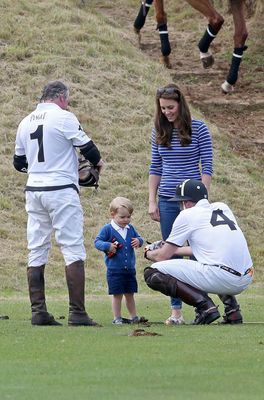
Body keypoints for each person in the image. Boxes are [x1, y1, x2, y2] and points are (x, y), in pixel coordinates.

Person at [13, 80, 104, 327]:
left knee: (37, 247)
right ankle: (77, 313)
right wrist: (96, 165)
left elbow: (18, 163)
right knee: (72, 247)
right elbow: (90, 150)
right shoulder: (65, 117)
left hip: (34, 190)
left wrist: (40, 168)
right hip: (61, 190)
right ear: (62, 98)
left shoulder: (25, 121)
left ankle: (39, 311)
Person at [144, 179, 254, 325]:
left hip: (223, 277)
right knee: (213, 261)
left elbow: (162, 256)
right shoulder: (222, 207)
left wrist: (148, 253)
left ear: (187, 203)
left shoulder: (187, 215)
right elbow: (206, 250)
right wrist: (172, 248)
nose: (180, 206)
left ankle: (205, 307)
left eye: (180, 202)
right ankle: (233, 311)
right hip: (247, 277)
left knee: (151, 273)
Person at [148, 83, 213, 325]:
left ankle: (202, 306)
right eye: (163, 108)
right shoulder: (159, 130)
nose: (167, 112)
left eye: (171, 107)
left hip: (192, 199)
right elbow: (155, 167)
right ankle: (176, 311)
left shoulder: (199, 128)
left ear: (180, 105)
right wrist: (152, 200)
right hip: (167, 198)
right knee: (170, 254)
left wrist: (202, 197)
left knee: (197, 252)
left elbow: (207, 165)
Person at [94, 197, 144, 324]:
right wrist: (107, 246)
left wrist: (139, 241)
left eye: (129, 217)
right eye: (122, 217)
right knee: (117, 295)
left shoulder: (130, 228)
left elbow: (139, 238)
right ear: (113, 214)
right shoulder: (108, 229)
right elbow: (97, 242)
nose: (126, 220)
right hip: (114, 270)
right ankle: (117, 318)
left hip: (130, 269)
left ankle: (134, 317)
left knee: (130, 294)